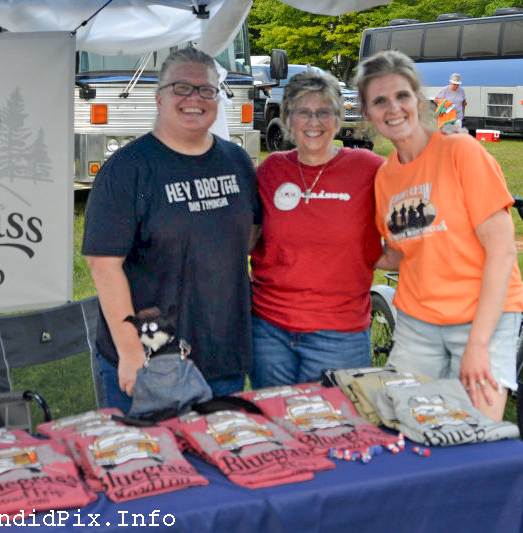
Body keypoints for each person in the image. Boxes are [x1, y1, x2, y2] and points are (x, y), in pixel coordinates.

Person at [82, 47, 260, 413]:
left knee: (220, 459)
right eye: (182, 88)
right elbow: (103, 264)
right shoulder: (126, 170)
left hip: (224, 354)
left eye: (206, 90)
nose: (195, 99)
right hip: (152, 361)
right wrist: (131, 353)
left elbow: (250, 236)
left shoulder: (238, 162)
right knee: (153, 465)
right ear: (159, 97)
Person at [354, 50, 523, 421]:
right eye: (379, 101)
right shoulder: (385, 178)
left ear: (418, 99)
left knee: (470, 430)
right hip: (419, 321)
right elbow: (401, 252)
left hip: (483, 316)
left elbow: (502, 252)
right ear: (367, 113)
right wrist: (337, 248)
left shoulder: (460, 152)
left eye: (401, 96)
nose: (393, 108)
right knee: (405, 422)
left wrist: (479, 345)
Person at [249, 69, 385, 389]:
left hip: (340, 334)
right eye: (303, 112)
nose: (314, 122)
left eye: (324, 112)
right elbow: (247, 235)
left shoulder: (369, 168)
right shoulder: (270, 170)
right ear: (287, 120)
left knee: (333, 431)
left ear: (337, 119)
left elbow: (413, 218)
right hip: (269, 333)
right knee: (277, 427)